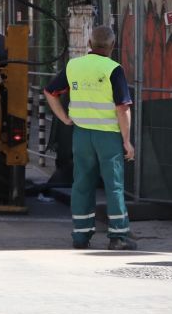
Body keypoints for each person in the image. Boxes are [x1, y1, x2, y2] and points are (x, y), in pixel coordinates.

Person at [45, 25, 136, 250]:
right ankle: (118, 236)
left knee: (82, 183)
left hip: (82, 135)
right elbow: (122, 108)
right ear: (112, 46)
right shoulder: (114, 69)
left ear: (89, 44)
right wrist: (126, 141)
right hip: (108, 137)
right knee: (113, 185)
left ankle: (81, 235)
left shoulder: (74, 66)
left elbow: (50, 92)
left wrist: (64, 118)